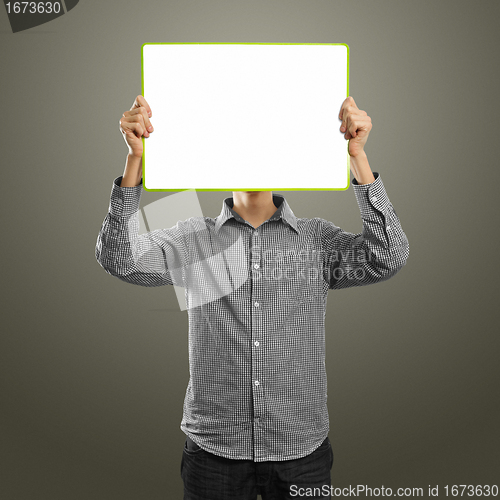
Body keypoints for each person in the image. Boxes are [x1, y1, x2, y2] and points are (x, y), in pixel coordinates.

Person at [95, 94, 409, 499]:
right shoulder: (194, 236)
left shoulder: (316, 238)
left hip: (301, 449)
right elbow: (118, 259)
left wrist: (357, 158)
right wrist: (134, 160)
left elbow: (389, 256)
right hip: (213, 452)